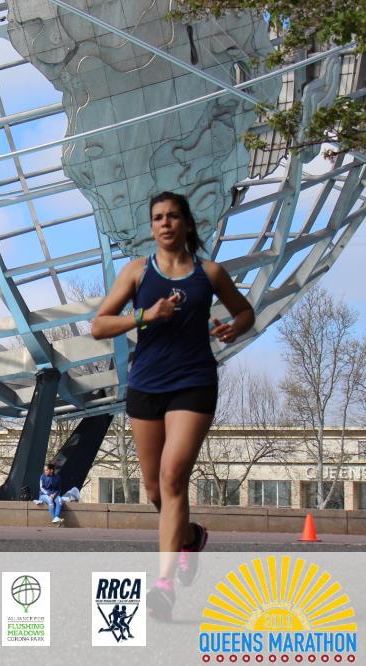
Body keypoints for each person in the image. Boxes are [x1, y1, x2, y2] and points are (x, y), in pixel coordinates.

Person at [91, 191, 255, 620]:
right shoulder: (136, 272)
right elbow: (99, 325)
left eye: (173, 216)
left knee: (172, 476)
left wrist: (234, 328)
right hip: (146, 385)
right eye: (158, 217)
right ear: (152, 227)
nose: (165, 223)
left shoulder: (210, 273)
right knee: (154, 490)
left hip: (193, 383)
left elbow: (245, 312)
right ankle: (190, 537)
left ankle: (163, 586)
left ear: (187, 223)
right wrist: (144, 315)